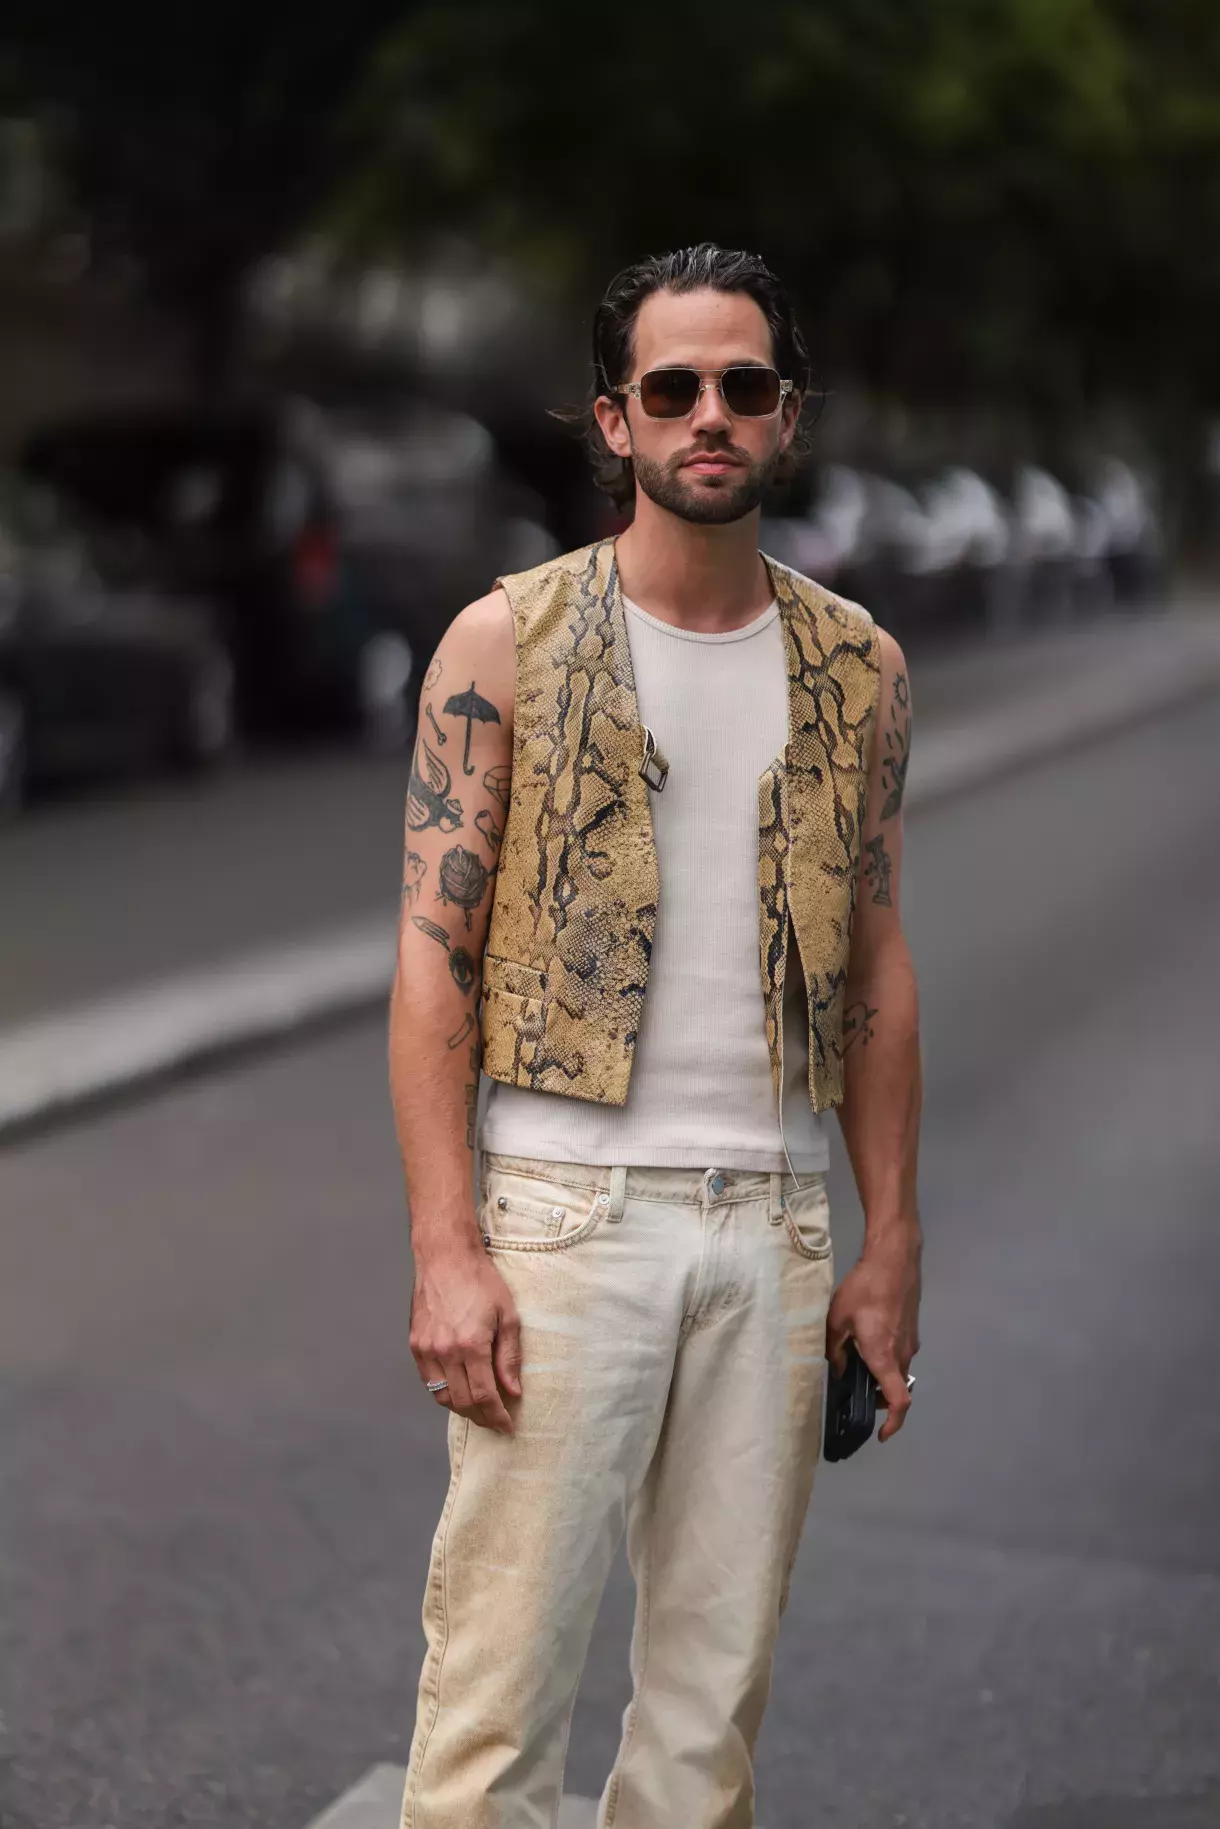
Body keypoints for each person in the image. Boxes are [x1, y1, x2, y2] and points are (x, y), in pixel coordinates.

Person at [388, 242, 923, 1829]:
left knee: (705, 1737)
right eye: (672, 388)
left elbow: (878, 960)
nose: (710, 415)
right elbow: (433, 960)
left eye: (743, 386)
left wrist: (890, 1239)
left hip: (775, 1227)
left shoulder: (860, 669)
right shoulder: (509, 641)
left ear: (787, 415)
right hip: (565, 1222)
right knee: (494, 1722)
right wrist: (447, 1246)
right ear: (614, 419)